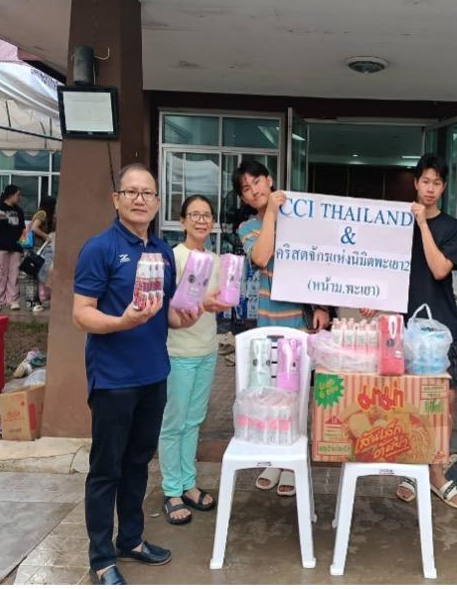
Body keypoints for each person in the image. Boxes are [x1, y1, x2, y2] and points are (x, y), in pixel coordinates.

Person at [73, 164, 201, 585]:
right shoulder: (100, 248)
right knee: (106, 469)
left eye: (147, 193)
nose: (140, 199)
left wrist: (186, 317)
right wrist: (120, 322)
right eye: (131, 192)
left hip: (153, 374)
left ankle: (130, 539)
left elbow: (165, 316)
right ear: (117, 199)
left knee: (138, 463)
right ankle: (101, 558)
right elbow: (81, 314)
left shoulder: (162, 252)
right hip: (113, 379)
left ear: (158, 202)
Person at [233, 159, 330, 496]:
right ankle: (274, 458)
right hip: (267, 323)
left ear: (270, 180)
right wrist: (271, 214)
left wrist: (321, 306)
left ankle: (292, 462)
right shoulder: (247, 227)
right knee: (270, 394)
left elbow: (317, 263)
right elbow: (261, 258)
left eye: (257, 181)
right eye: (246, 188)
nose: (254, 190)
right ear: (244, 198)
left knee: (298, 395)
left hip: (299, 323)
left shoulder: (300, 219)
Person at [377, 154, 457, 509]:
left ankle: (436, 472)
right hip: (403, 328)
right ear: (415, 183)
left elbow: (440, 269)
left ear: (443, 187)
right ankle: (410, 468)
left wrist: (422, 224)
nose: (430, 188)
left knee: (444, 403)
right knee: (409, 401)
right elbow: (381, 269)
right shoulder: (395, 223)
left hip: (441, 328)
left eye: (437, 183)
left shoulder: (452, 228)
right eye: (425, 181)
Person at [159, 194, 232, 525]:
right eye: (195, 215)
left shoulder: (216, 261)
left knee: (194, 421)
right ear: (183, 221)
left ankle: (188, 483)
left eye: (207, 215)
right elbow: (166, 306)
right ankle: (171, 490)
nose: (202, 220)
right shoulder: (172, 257)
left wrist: (222, 301)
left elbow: (215, 302)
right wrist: (201, 302)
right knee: (174, 422)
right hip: (178, 351)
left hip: (207, 349)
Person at [0, 184, 25, 311]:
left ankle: (13, 300)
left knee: (14, 275)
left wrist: (24, 243)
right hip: (1, 246)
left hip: (16, 247)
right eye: (18, 195)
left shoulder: (19, 211)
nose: (19, 197)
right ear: (10, 195)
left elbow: (23, 229)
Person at [29, 195, 57, 313]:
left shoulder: (48, 215)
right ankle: (37, 300)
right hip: (38, 248)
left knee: (39, 274)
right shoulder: (42, 213)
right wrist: (46, 236)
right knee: (41, 273)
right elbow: (34, 228)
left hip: (41, 248)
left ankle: (39, 299)